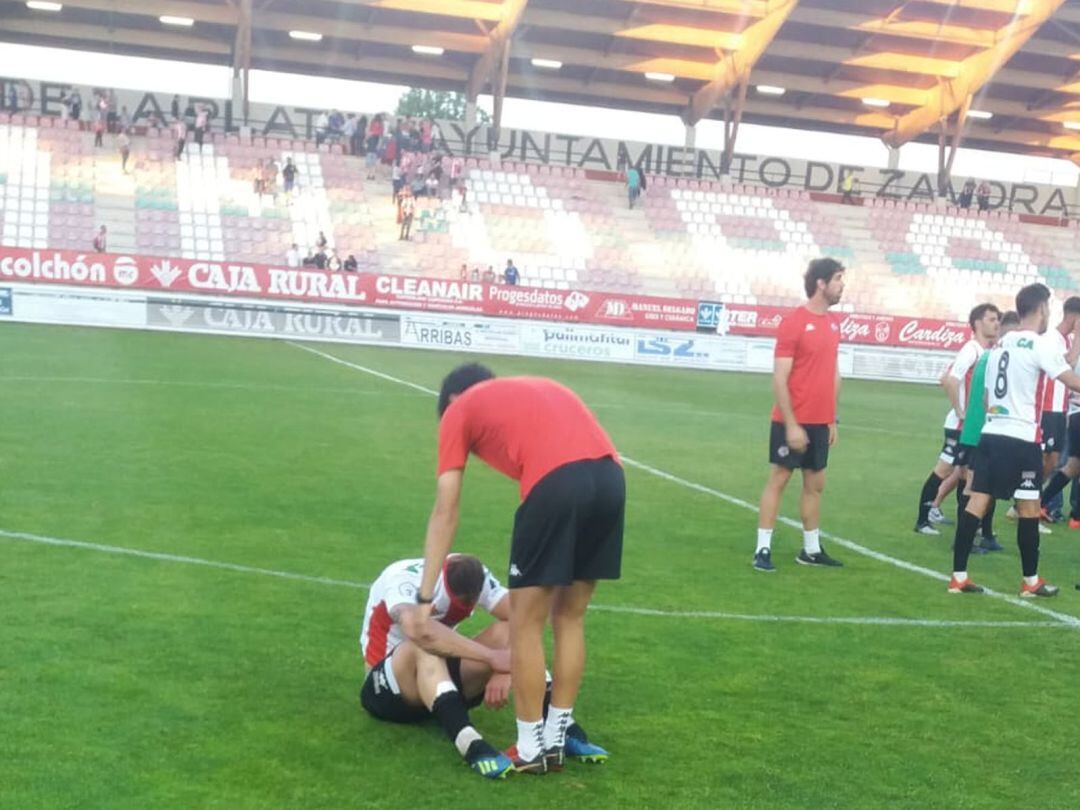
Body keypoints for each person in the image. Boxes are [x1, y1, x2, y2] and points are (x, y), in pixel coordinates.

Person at [413, 365, 621, 774]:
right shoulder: (535, 386)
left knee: (526, 622)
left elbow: (446, 509)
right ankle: (557, 738)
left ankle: (531, 749)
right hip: (612, 479)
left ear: (453, 401)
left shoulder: (459, 410)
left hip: (556, 483)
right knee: (571, 616)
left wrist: (424, 599)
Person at [946, 284, 1080, 597]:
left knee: (979, 500)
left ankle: (958, 576)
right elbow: (1069, 379)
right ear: (1042, 308)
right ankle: (1030, 582)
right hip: (1021, 437)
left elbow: (988, 392)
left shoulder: (1000, 344)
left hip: (993, 432)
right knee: (1030, 507)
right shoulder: (1038, 344)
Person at [360, 554, 514, 780]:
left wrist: (505, 670)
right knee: (423, 641)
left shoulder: (475, 574)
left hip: (436, 676)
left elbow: (523, 617)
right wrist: (492, 657)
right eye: (463, 603)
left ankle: (558, 727)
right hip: (387, 688)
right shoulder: (403, 580)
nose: (470, 608)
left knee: (505, 631)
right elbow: (417, 631)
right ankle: (468, 742)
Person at [753, 258, 845, 572]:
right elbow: (779, 377)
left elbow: (834, 374)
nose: (841, 285)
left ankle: (811, 549)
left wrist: (832, 418)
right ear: (821, 283)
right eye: (837, 279)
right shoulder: (794, 322)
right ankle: (762, 549)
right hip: (792, 420)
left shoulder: (834, 324)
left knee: (815, 484)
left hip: (821, 421)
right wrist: (791, 424)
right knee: (779, 479)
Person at [913, 304, 1001, 535]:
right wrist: (960, 411)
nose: (996, 323)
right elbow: (950, 380)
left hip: (973, 427)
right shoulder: (971, 349)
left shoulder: (986, 351)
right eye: (992, 319)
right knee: (944, 470)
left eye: (997, 319)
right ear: (978, 323)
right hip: (959, 427)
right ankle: (923, 520)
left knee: (967, 474)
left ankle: (967, 528)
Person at [953, 311, 1022, 554]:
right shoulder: (994, 357)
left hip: (979, 430)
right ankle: (964, 540)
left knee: (984, 487)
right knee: (973, 487)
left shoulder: (990, 356)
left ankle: (986, 534)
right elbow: (985, 399)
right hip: (980, 431)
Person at [1037, 300, 1080, 515]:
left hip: (1060, 408)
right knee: (1047, 460)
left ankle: (1034, 504)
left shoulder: (1063, 340)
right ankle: (1027, 505)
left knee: (1057, 462)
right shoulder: (1052, 339)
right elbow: (1069, 364)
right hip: (1048, 407)